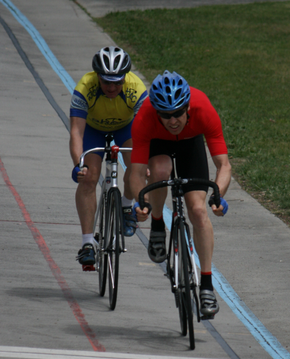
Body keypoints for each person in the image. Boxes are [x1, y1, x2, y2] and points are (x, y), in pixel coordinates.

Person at [129, 70, 231, 317]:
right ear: (156, 112)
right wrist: (141, 202)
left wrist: (218, 197)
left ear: (188, 106)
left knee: (197, 210)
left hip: (190, 143)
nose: (172, 120)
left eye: (177, 113)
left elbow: (224, 165)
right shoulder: (144, 119)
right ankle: (156, 226)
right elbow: (136, 173)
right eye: (165, 114)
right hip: (158, 144)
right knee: (161, 169)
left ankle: (206, 286)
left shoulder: (202, 108)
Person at [69, 46, 148, 267]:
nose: (112, 87)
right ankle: (87, 243)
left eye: (117, 82)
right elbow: (76, 132)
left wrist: (146, 163)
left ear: (125, 78)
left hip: (127, 128)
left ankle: (125, 206)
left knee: (137, 168)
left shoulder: (137, 88)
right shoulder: (85, 87)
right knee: (89, 176)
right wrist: (78, 164)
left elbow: (147, 133)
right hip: (93, 130)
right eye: (106, 82)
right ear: (97, 77)